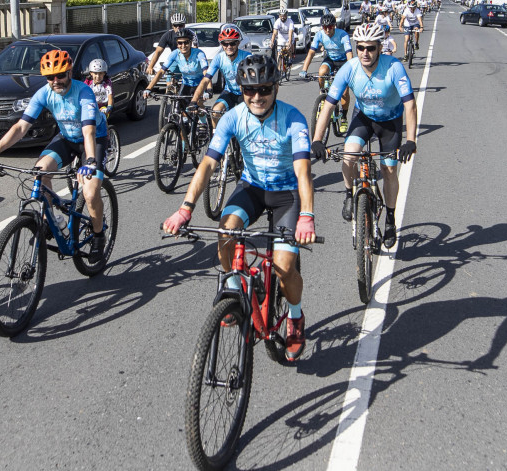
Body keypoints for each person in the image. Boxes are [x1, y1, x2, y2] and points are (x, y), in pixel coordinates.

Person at [162, 55, 316, 362]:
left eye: (264, 89)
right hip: (252, 188)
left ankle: (296, 319)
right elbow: (207, 165)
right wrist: (185, 208)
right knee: (225, 230)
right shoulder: (234, 117)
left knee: (285, 266)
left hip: (286, 194)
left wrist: (307, 216)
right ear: (241, 90)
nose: (257, 97)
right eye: (249, 90)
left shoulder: (293, 119)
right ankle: (234, 288)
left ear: (275, 87)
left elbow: (303, 172)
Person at [0, 50, 109, 262]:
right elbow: (21, 127)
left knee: (90, 192)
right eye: (50, 77)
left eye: (60, 75)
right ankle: (52, 220)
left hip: (94, 140)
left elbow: (89, 131)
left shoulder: (83, 92)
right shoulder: (43, 94)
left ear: (69, 72)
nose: (55, 81)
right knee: (40, 173)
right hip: (67, 138)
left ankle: (98, 236)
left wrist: (91, 160)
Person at [309, 23, 417, 248]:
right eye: (360, 48)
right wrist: (317, 140)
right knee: (349, 156)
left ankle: (390, 219)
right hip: (364, 117)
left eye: (370, 48)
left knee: (388, 169)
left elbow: (410, 105)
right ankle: (349, 195)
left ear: (379, 47)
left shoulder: (394, 67)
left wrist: (411, 141)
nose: (365, 53)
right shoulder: (350, 68)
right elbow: (328, 106)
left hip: (390, 121)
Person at [299, 13, 353, 131]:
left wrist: (352, 69)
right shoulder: (320, 34)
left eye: (330, 27)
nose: (327, 30)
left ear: (334, 26)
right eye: (325, 27)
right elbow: (311, 53)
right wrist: (304, 69)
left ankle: (343, 117)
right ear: (322, 27)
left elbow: (349, 53)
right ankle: (323, 94)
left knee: (344, 92)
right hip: (331, 60)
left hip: (343, 61)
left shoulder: (342, 35)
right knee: (322, 72)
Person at [190, 24, 252, 127]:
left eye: (232, 43)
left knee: (250, 118)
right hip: (229, 91)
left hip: (245, 93)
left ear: (238, 43)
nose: (229, 47)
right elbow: (206, 80)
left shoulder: (247, 57)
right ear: (222, 44)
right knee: (215, 112)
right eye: (225, 44)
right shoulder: (219, 58)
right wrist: (194, 100)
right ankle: (217, 139)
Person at [143, 28, 208, 111]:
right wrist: (149, 88)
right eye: (180, 43)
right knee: (183, 109)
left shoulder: (199, 53)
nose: (183, 45)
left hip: (200, 84)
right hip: (187, 83)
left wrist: (208, 89)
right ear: (177, 44)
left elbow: (206, 72)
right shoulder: (175, 54)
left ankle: (203, 123)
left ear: (191, 42)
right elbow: (161, 71)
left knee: (198, 104)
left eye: (186, 42)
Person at [270, 5, 296, 75]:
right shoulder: (277, 22)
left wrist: (290, 43)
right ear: (279, 16)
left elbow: (290, 33)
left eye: (284, 16)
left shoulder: (290, 22)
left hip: (288, 37)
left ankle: (290, 58)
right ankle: (279, 70)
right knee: (279, 54)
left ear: (286, 15)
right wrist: (272, 42)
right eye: (281, 16)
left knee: (288, 48)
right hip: (281, 38)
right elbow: (274, 33)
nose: (283, 17)